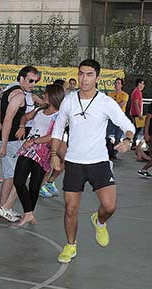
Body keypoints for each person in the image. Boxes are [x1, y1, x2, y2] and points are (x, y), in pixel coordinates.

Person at [51, 59, 135, 264]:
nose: (84, 78)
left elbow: (127, 125)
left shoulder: (106, 102)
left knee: (109, 206)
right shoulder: (69, 101)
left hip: (99, 162)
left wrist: (128, 140)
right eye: (81, 74)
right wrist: (54, 153)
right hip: (73, 162)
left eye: (89, 74)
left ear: (97, 78)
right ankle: (70, 245)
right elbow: (58, 128)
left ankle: (99, 221)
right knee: (70, 209)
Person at [13, 83, 65, 227]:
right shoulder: (39, 110)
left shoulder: (60, 116)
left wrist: (34, 141)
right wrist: (22, 126)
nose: (43, 96)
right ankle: (28, 213)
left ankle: (29, 213)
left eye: (46, 94)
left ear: (54, 96)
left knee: (35, 185)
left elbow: (54, 135)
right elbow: (24, 117)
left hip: (44, 151)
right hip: (29, 148)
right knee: (18, 180)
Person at [0, 65, 40, 222]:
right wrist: (5, 143)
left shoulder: (10, 90)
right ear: (21, 78)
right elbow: (8, 119)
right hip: (11, 140)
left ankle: (3, 207)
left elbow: (0, 108)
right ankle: (5, 208)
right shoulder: (19, 95)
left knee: (10, 175)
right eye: (30, 80)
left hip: (7, 138)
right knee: (17, 177)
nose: (33, 84)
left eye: (35, 81)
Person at [107, 78, 128, 156]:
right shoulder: (110, 94)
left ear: (121, 85)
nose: (116, 84)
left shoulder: (125, 95)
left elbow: (120, 105)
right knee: (106, 135)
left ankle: (114, 152)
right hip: (111, 118)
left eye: (118, 83)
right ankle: (108, 150)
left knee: (118, 137)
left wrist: (114, 104)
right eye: (116, 83)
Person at [130, 78, 145, 147]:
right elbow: (136, 103)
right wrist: (139, 114)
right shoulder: (136, 92)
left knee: (138, 128)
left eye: (143, 84)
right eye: (141, 83)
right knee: (138, 128)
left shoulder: (138, 91)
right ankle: (133, 143)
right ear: (138, 84)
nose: (142, 85)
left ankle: (133, 142)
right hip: (135, 113)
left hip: (136, 113)